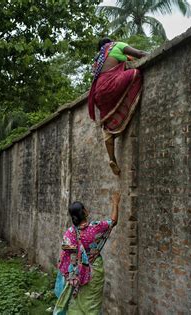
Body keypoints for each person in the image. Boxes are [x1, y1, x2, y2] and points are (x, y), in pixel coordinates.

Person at [54, 192, 121, 315]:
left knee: (76, 302)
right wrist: (115, 203)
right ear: (84, 212)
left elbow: (64, 258)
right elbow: (113, 221)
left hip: (77, 275)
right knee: (92, 303)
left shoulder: (69, 233)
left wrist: (71, 272)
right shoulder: (95, 228)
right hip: (94, 272)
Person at [88, 38, 147, 175]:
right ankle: (125, 112)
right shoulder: (117, 45)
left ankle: (112, 158)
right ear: (110, 42)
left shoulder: (98, 59)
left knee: (106, 124)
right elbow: (139, 53)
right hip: (112, 84)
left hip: (98, 93)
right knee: (136, 74)